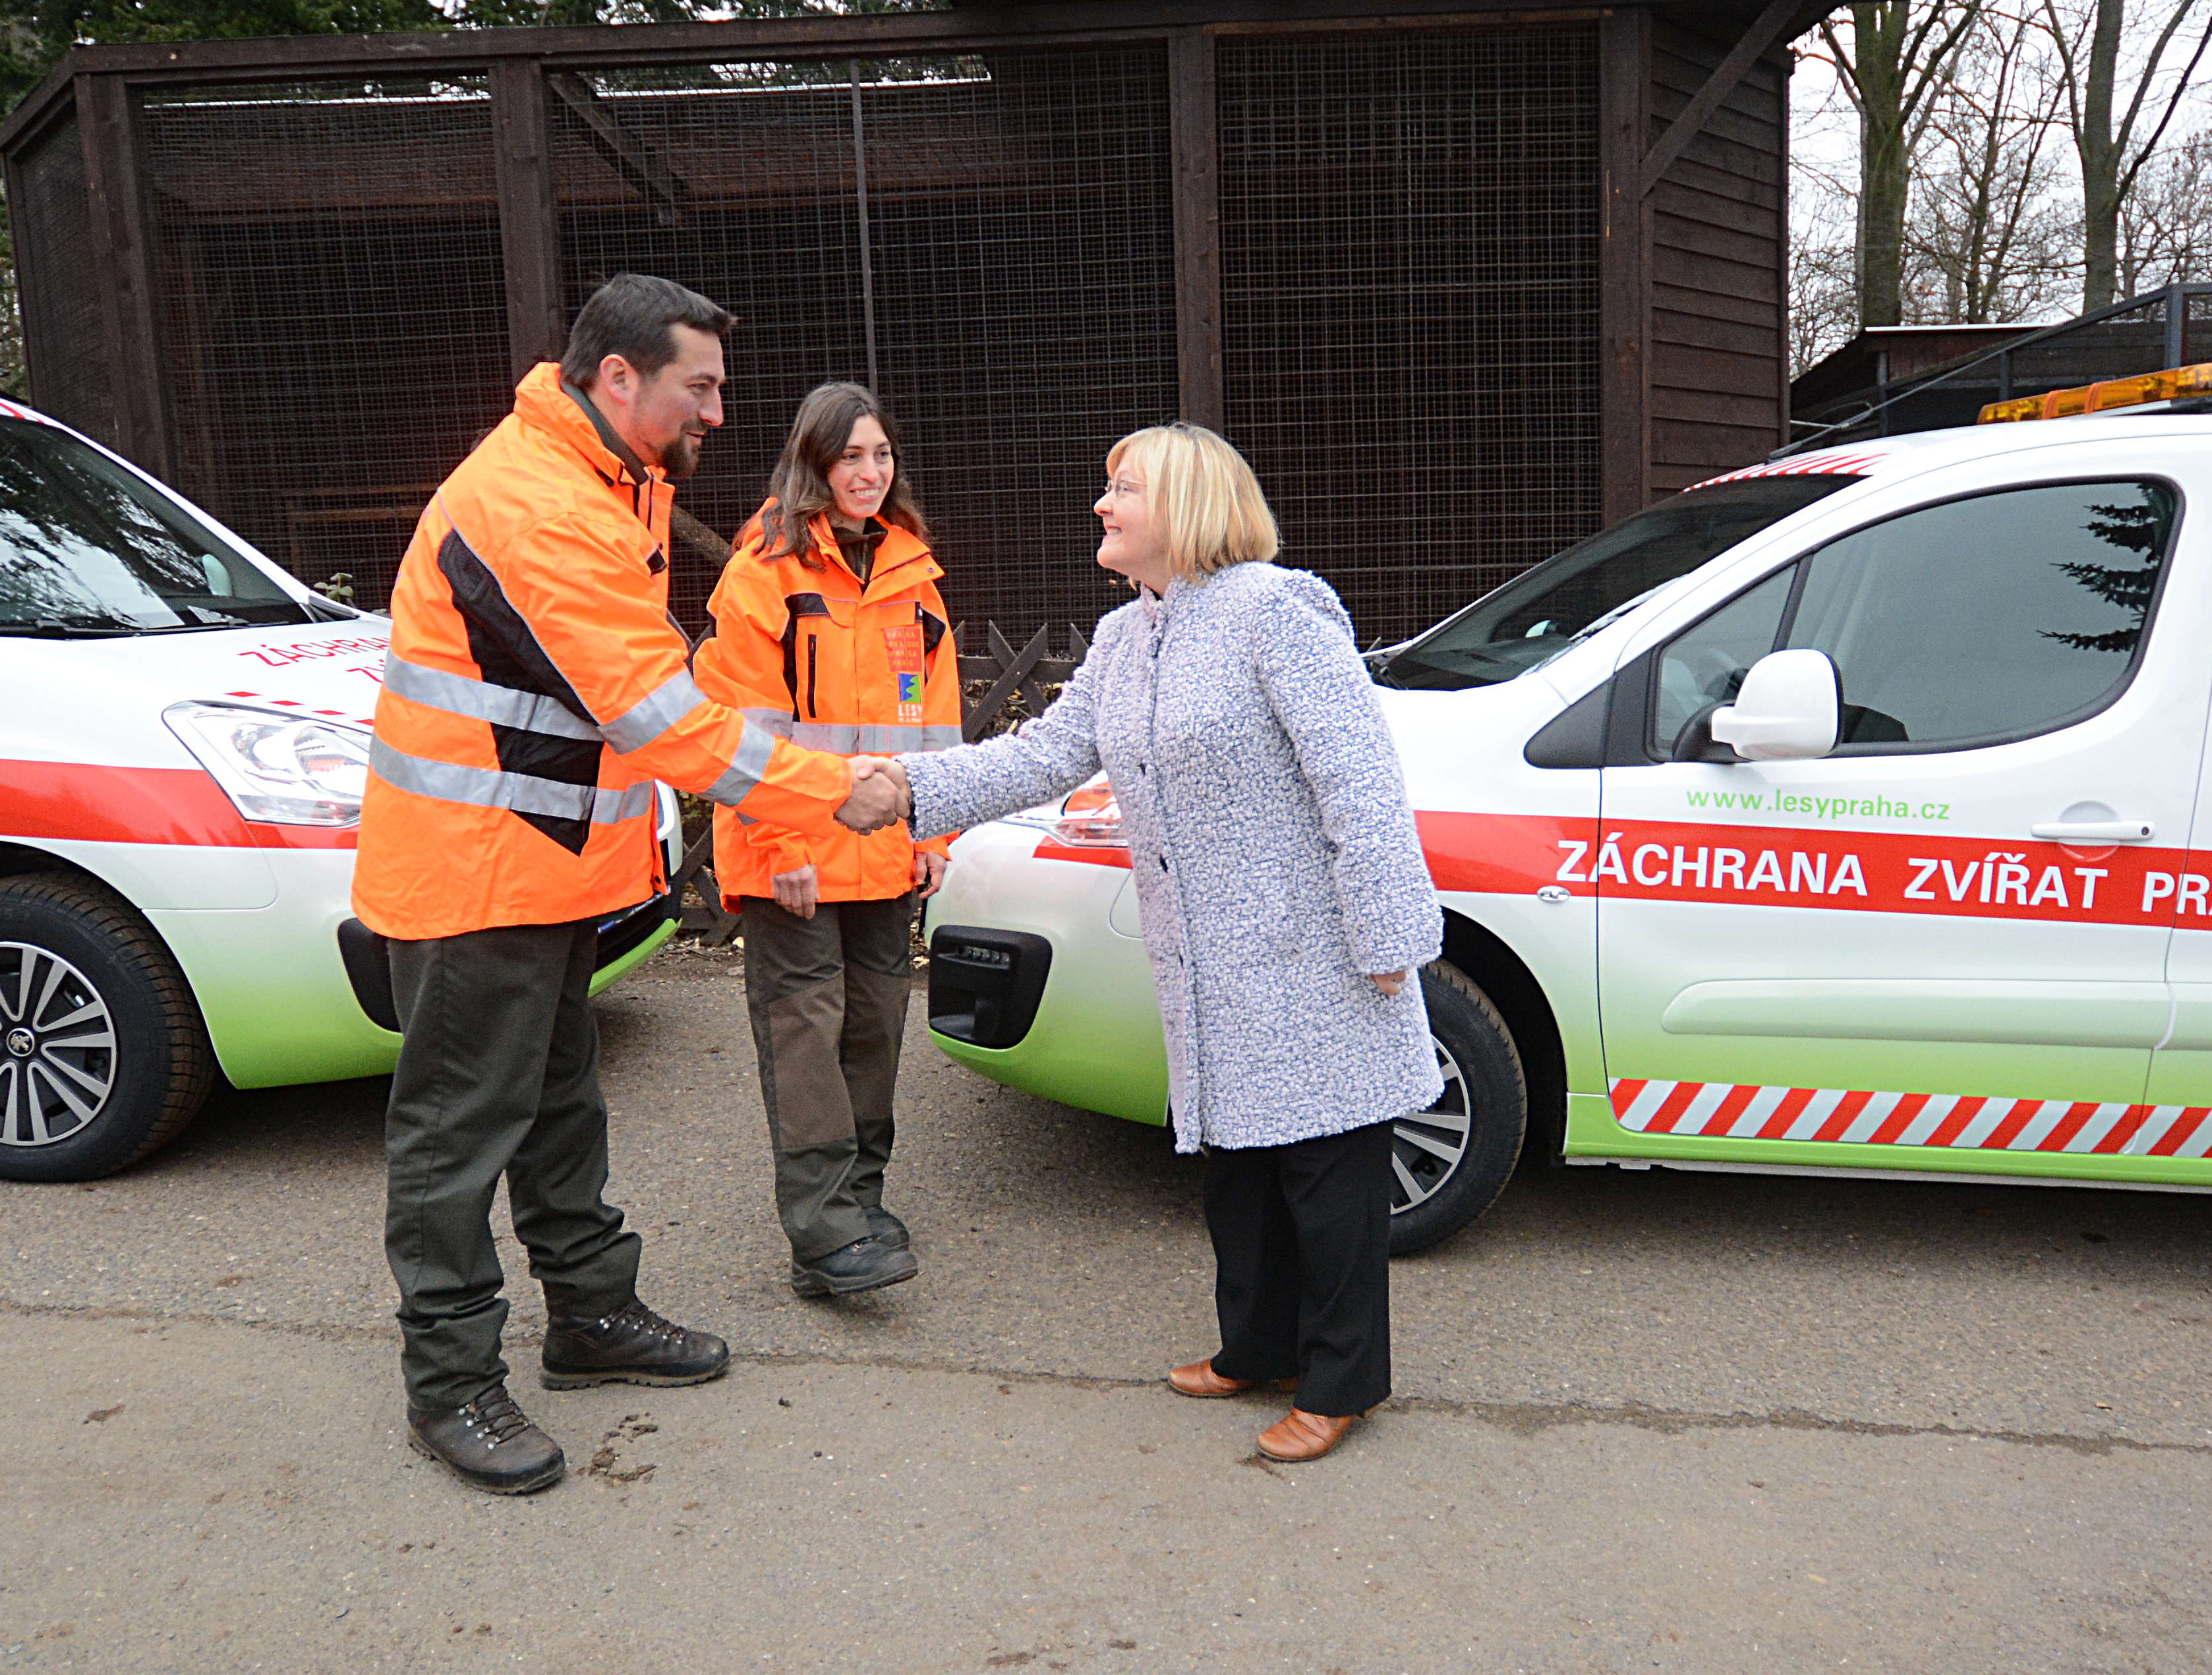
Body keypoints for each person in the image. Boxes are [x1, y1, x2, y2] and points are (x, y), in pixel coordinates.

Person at [354, 272, 908, 1495]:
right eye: (696, 387)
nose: (717, 410)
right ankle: (449, 1386)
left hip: (539, 867)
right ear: (618, 379)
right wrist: (829, 790)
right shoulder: (542, 504)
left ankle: (591, 1318)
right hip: (474, 877)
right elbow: (662, 714)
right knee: (458, 1136)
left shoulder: (611, 479)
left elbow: (649, 692)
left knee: (560, 1109)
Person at [859, 423, 1438, 1462]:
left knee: (1324, 1168)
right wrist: (911, 787)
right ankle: (1256, 1346)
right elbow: (1046, 751)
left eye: (1121, 488)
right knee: (1235, 1164)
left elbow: (1357, 777)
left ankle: (1343, 1379)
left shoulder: (1275, 612)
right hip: (1203, 961)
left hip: (1307, 950)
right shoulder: (1128, 636)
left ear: (1184, 506)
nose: (1101, 505)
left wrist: (1388, 932)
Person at [695, 383, 963, 1298]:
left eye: (880, 456)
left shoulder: (911, 577)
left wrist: (937, 832)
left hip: (886, 854)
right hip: (795, 860)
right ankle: (822, 1231)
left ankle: (858, 1203)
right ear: (811, 464)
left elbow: (934, 725)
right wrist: (781, 849)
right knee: (807, 1036)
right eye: (849, 456)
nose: (868, 472)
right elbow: (744, 737)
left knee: (875, 1028)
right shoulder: (762, 575)